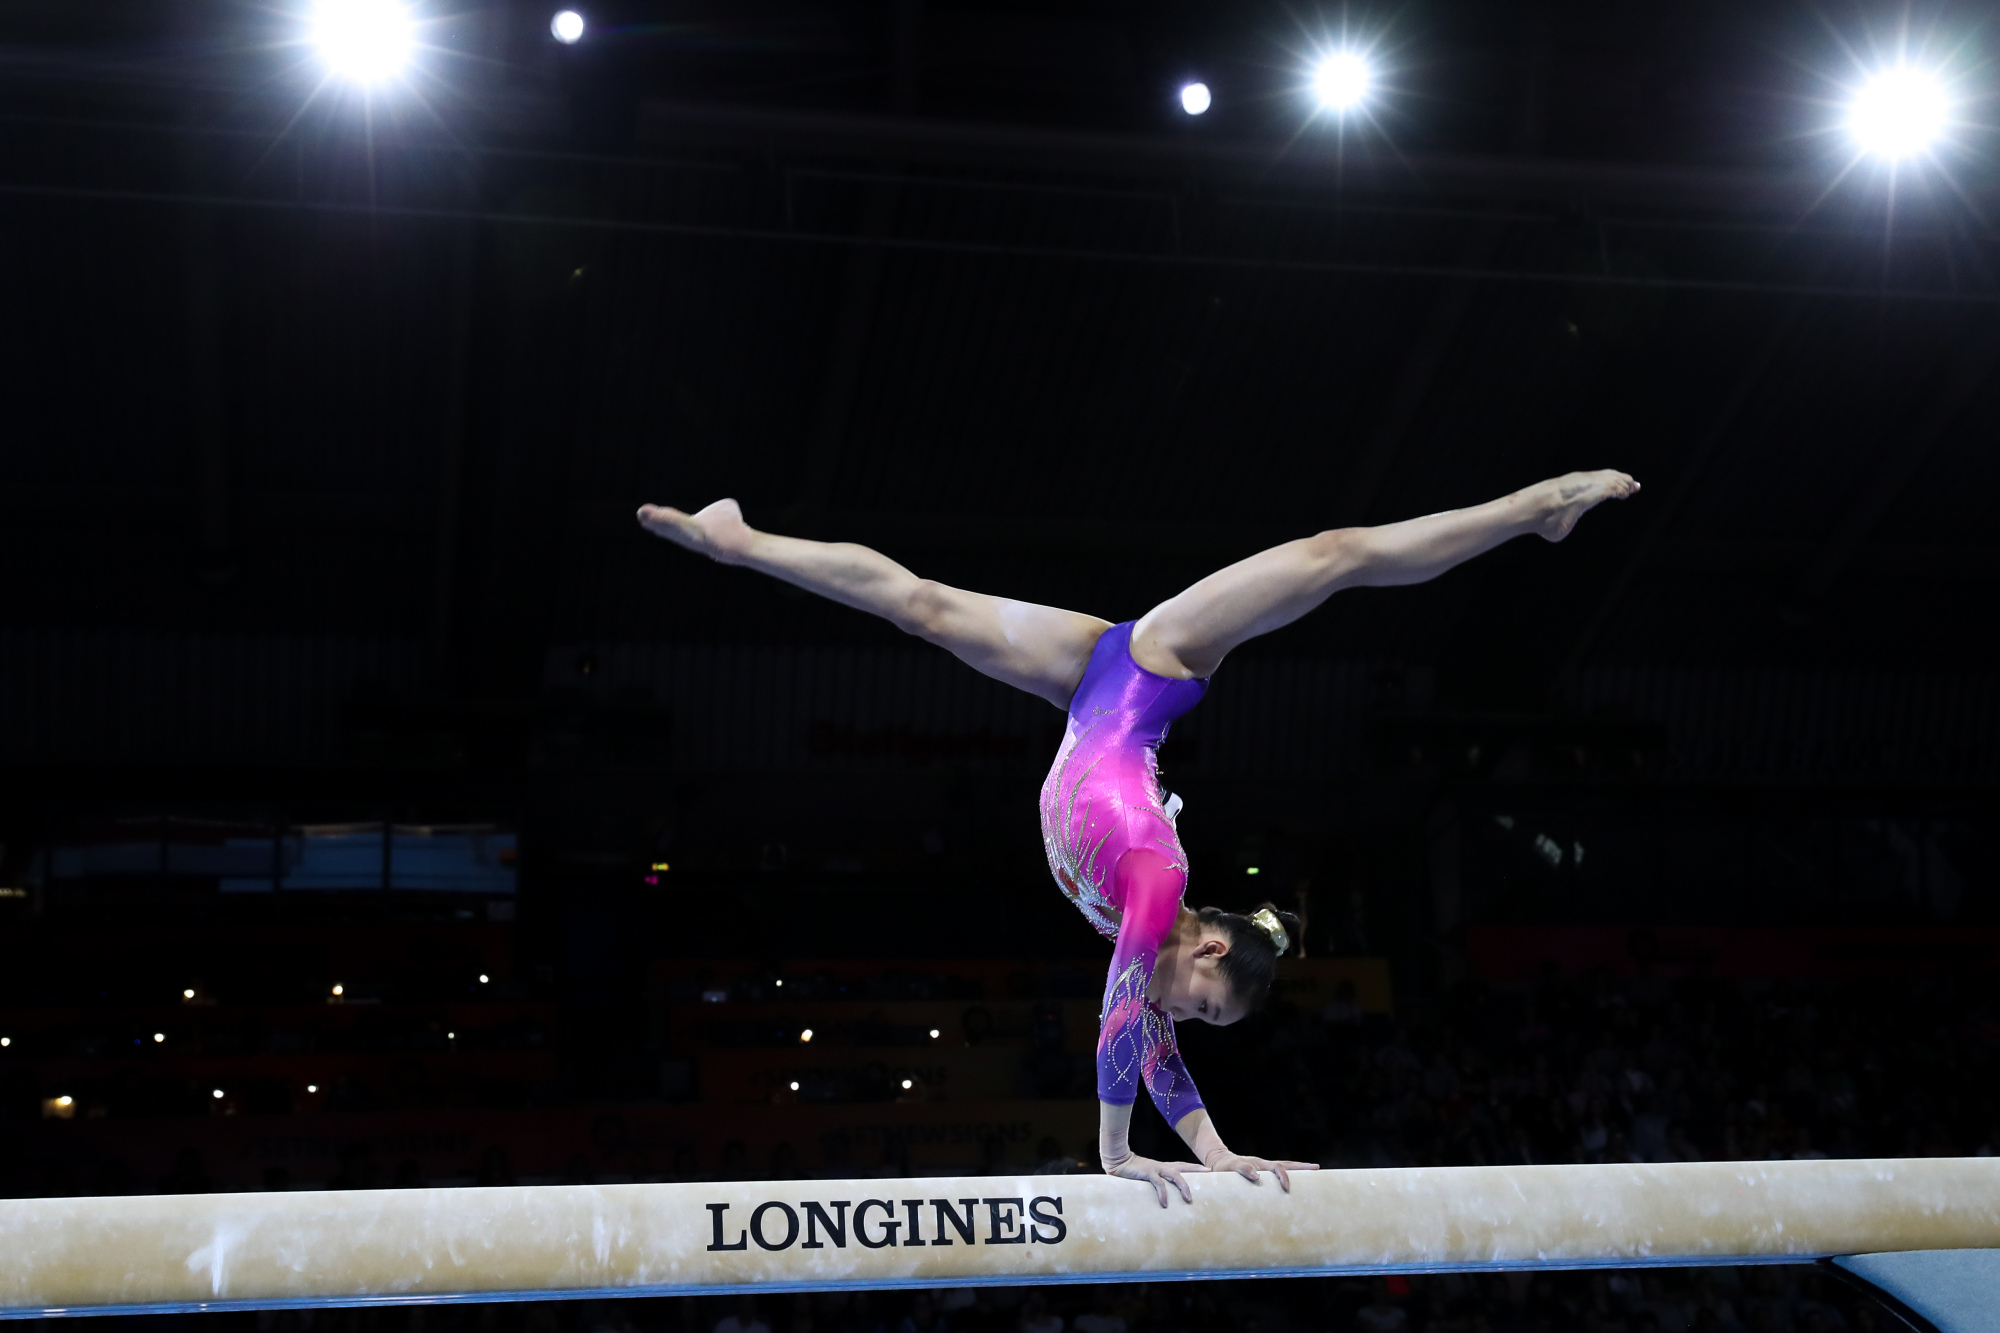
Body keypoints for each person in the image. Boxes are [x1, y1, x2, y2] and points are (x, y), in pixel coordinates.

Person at [638, 468, 1639, 1206]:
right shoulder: (1155, 886)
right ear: (1208, 946)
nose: (1182, 1017)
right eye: (1203, 1005)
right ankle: (1532, 509)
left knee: (921, 608)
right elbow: (1125, 1019)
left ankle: (737, 542)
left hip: (1085, 684)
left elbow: (1147, 1039)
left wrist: (1214, 1152)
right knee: (1335, 555)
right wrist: (1114, 1151)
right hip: (1155, 665)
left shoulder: (1146, 928)